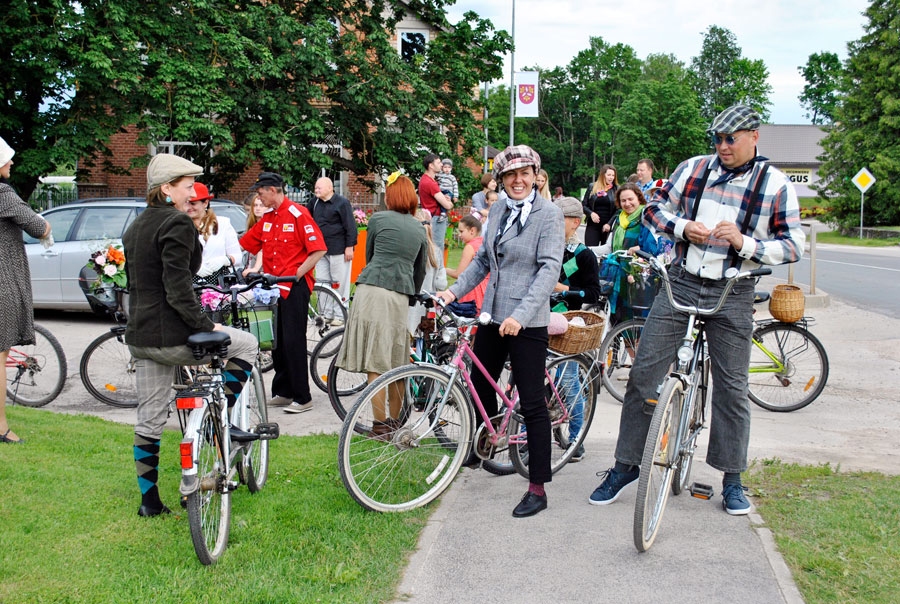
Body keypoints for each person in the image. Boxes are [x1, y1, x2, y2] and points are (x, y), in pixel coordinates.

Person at [588, 105, 805, 517]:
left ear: (753, 137)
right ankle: (625, 466)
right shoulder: (693, 169)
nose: (722, 146)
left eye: (731, 139)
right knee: (643, 374)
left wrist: (747, 244)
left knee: (732, 389)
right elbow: (651, 208)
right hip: (682, 280)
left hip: (734, 290)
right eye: (718, 139)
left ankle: (732, 479)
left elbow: (794, 244)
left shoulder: (775, 185)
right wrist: (681, 228)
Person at [123, 153, 259, 517]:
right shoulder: (177, 224)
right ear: (166, 189)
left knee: (149, 418)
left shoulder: (135, 226)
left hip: (140, 337)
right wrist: (204, 324)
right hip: (172, 337)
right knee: (247, 344)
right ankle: (223, 416)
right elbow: (178, 288)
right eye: (186, 187)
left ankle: (149, 502)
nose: (192, 194)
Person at [437, 144, 564, 518]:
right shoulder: (499, 210)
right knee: (479, 384)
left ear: (536, 176)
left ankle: (537, 487)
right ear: (502, 180)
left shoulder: (550, 215)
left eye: (525, 173)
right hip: (492, 316)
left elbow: (548, 270)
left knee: (531, 402)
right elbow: (482, 262)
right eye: (511, 174)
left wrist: (522, 316)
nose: (518, 180)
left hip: (526, 321)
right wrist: (451, 291)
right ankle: (485, 447)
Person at [336, 172, 428, 439]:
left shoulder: (377, 219)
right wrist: (411, 296)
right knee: (397, 362)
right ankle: (396, 426)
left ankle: (379, 426)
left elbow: (371, 255)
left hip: (371, 291)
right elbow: (419, 271)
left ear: (389, 196)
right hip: (399, 295)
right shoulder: (419, 229)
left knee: (375, 364)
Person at [240, 172, 327, 414]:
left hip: (293, 286)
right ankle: (283, 391)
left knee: (293, 341)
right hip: (273, 288)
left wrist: (298, 273)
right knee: (277, 342)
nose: (258, 196)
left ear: (274, 190)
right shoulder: (269, 217)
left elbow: (318, 249)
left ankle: (303, 396)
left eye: (261, 192)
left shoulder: (298, 214)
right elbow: (247, 243)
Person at [0, 137, 52, 445]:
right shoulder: (3, 193)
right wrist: (45, 227)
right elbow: (38, 226)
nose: (12, 163)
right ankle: (1, 427)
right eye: (7, 159)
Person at [551, 196, 602, 463]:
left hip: (568, 324)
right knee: (532, 381)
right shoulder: (547, 247)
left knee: (569, 381)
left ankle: (575, 437)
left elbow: (594, 293)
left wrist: (566, 291)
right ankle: (524, 436)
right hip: (539, 320)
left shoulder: (583, 255)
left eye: (560, 220)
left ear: (575, 222)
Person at [592, 183, 661, 322]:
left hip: (638, 277)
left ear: (639, 198)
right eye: (623, 200)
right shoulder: (619, 218)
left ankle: (634, 343)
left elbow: (654, 246)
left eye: (631, 199)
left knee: (636, 319)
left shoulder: (646, 217)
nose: (627, 204)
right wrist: (587, 249)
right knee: (618, 317)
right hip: (618, 275)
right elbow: (610, 247)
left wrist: (639, 249)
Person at [308, 177, 357, 324]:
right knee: (322, 282)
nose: (316, 190)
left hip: (339, 249)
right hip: (320, 250)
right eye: (315, 188)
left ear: (330, 188)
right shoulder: (314, 203)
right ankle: (326, 313)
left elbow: (350, 226)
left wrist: (350, 246)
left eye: (319, 188)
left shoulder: (342, 203)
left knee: (339, 282)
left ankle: (340, 314)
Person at [183, 183, 242, 285]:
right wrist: (192, 265)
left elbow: (238, 257)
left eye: (193, 204)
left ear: (205, 203)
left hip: (217, 284)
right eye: (186, 203)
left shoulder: (223, 224)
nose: (188, 207)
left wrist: (224, 260)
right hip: (187, 282)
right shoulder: (179, 226)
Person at [444, 215, 488, 314]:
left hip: (473, 289)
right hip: (487, 289)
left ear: (472, 230)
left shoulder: (470, 247)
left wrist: (443, 269)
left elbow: (459, 274)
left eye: (461, 231)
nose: (459, 235)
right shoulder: (484, 243)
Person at [418, 153, 453, 269]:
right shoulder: (430, 182)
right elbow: (446, 205)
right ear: (431, 166)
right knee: (437, 249)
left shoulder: (424, 180)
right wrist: (449, 202)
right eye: (438, 162)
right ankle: (437, 279)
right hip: (436, 219)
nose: (441, 165)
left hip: (430, 217)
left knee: (432, 248)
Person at [582, 164, 617, 246]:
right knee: (590, 251)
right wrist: (591, 213)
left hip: (608, 226)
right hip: (593, 225)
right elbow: (583, 205)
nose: (611, 177)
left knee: (605, 254)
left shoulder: (616, 189)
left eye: (613, 175)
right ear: (603, 175)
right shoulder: (592, 187)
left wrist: (609, 223)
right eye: (609, 175)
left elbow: (618, 210)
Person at [242, 195, 268, 277]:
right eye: (255, 205)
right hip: (251, 266)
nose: (258, 208)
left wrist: (256, 268)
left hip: (262, 271)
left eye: (261, 205)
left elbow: (262, 249)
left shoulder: (267, 226)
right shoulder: (252, 225)